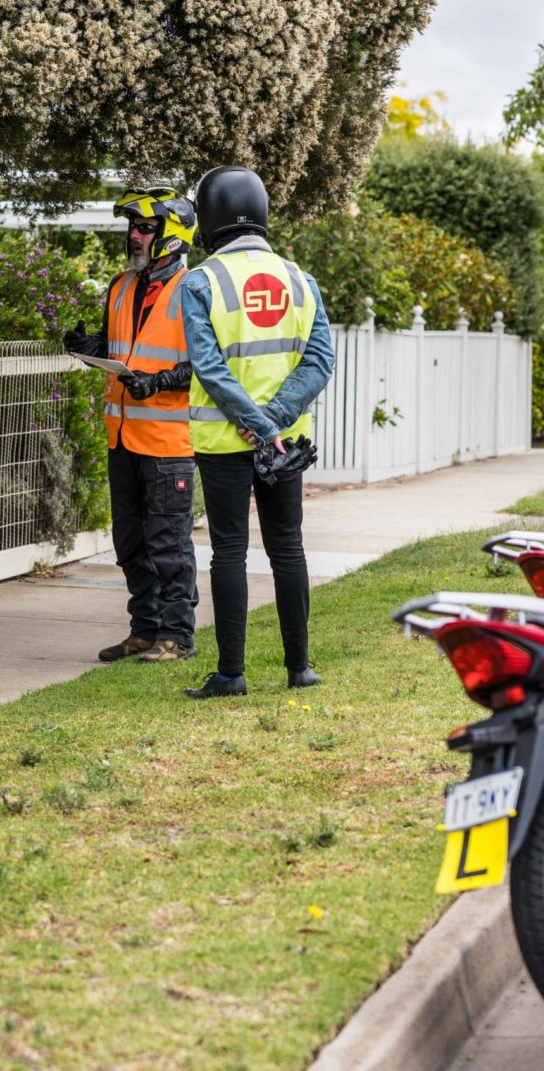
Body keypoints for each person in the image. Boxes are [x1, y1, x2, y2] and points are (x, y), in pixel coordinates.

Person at [178, 166, 335, 699]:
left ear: (209, 219)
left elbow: (209, 367)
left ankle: (231, 674)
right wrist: (274, 424)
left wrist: (255, 425)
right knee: (287, 547)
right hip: (285, 443)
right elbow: (320, 361)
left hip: (226, 440)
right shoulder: (301, 280)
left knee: (229, 551)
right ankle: (300, 669)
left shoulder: (200, 282)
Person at [64, 187, 200, 665]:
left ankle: (176, 636)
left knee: (168, 545)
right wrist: (88, 347)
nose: (135, 235)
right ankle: (144, 630)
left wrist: (158, 381)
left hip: (168, 441)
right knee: (130, 542)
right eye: (133, 227)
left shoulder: (194, 289)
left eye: (145, 228)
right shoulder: (121, 285)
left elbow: (210, 365)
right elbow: (118, 346)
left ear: (171, 235)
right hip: (121, 437)